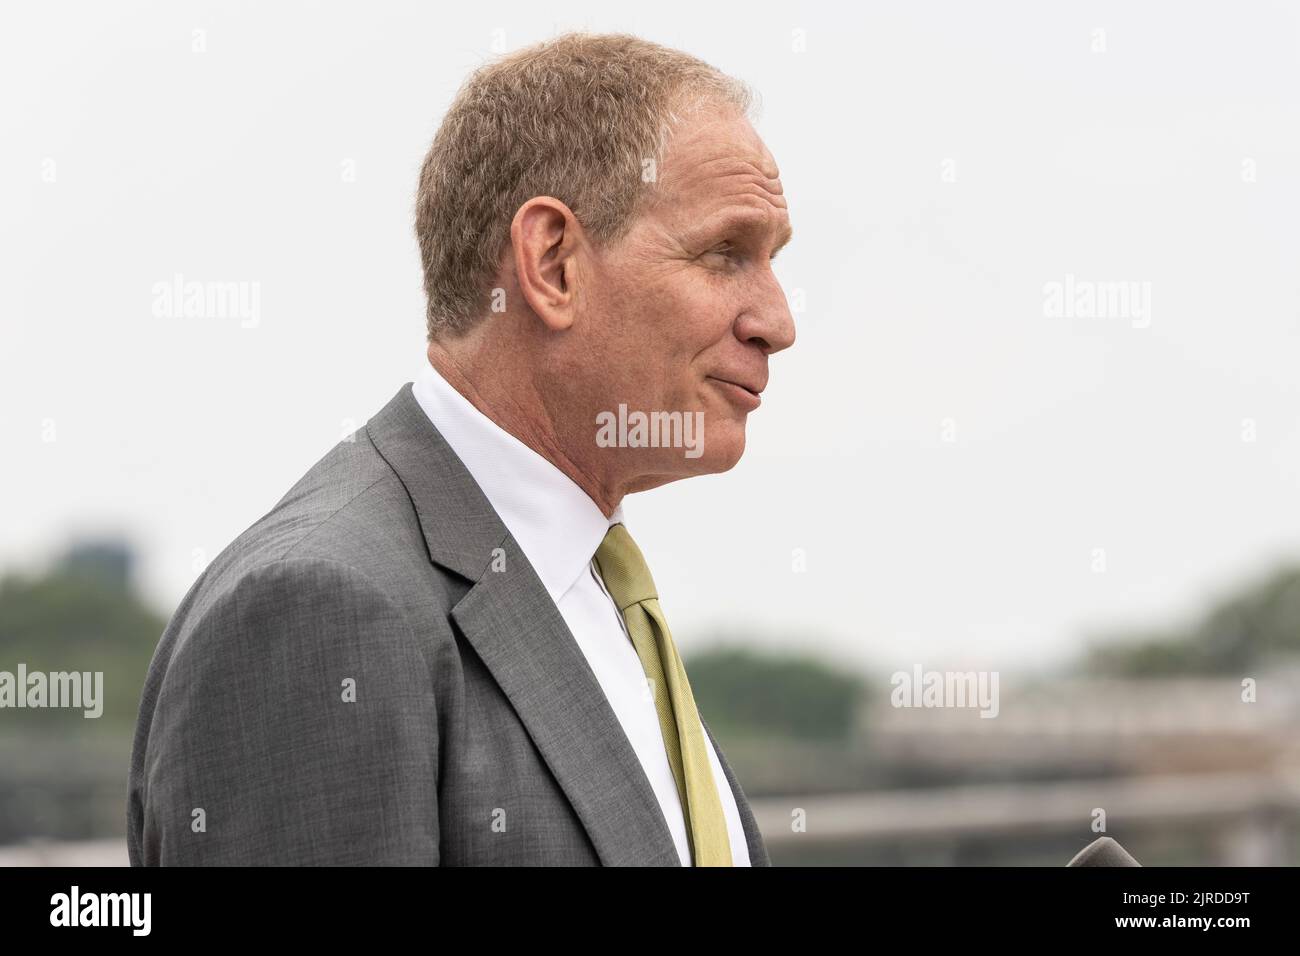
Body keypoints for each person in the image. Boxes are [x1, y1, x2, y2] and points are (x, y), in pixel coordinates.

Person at [127, 30, 795, 866]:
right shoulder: (323, 607)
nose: (777, 322)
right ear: (551, 264)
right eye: (727, 253)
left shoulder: (596, 590)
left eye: (772, 261)